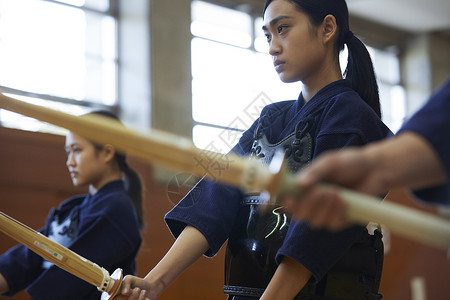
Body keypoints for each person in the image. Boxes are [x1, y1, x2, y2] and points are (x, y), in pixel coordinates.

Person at [117, 0, 391, 299]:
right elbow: (216, 195)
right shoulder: (270, 120)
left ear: (327, 28)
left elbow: (314, 236)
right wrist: (154, 282)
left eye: (283, 29)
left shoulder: (353, 119)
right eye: (268, 35)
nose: (273, 47)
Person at [0, 111, 144, 300]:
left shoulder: (116, 209)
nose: (70, 162)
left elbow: (69, 282)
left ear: (107, 153)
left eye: (77, 150)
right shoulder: (74, 208)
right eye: (68, 152)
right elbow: (30, 256)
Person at [282, 78, 450, 230]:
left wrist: (375, 167)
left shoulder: (348, 111)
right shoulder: (273, 115)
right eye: (268, 41)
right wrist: (375, 167)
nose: (273, 49)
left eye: (282, 40)